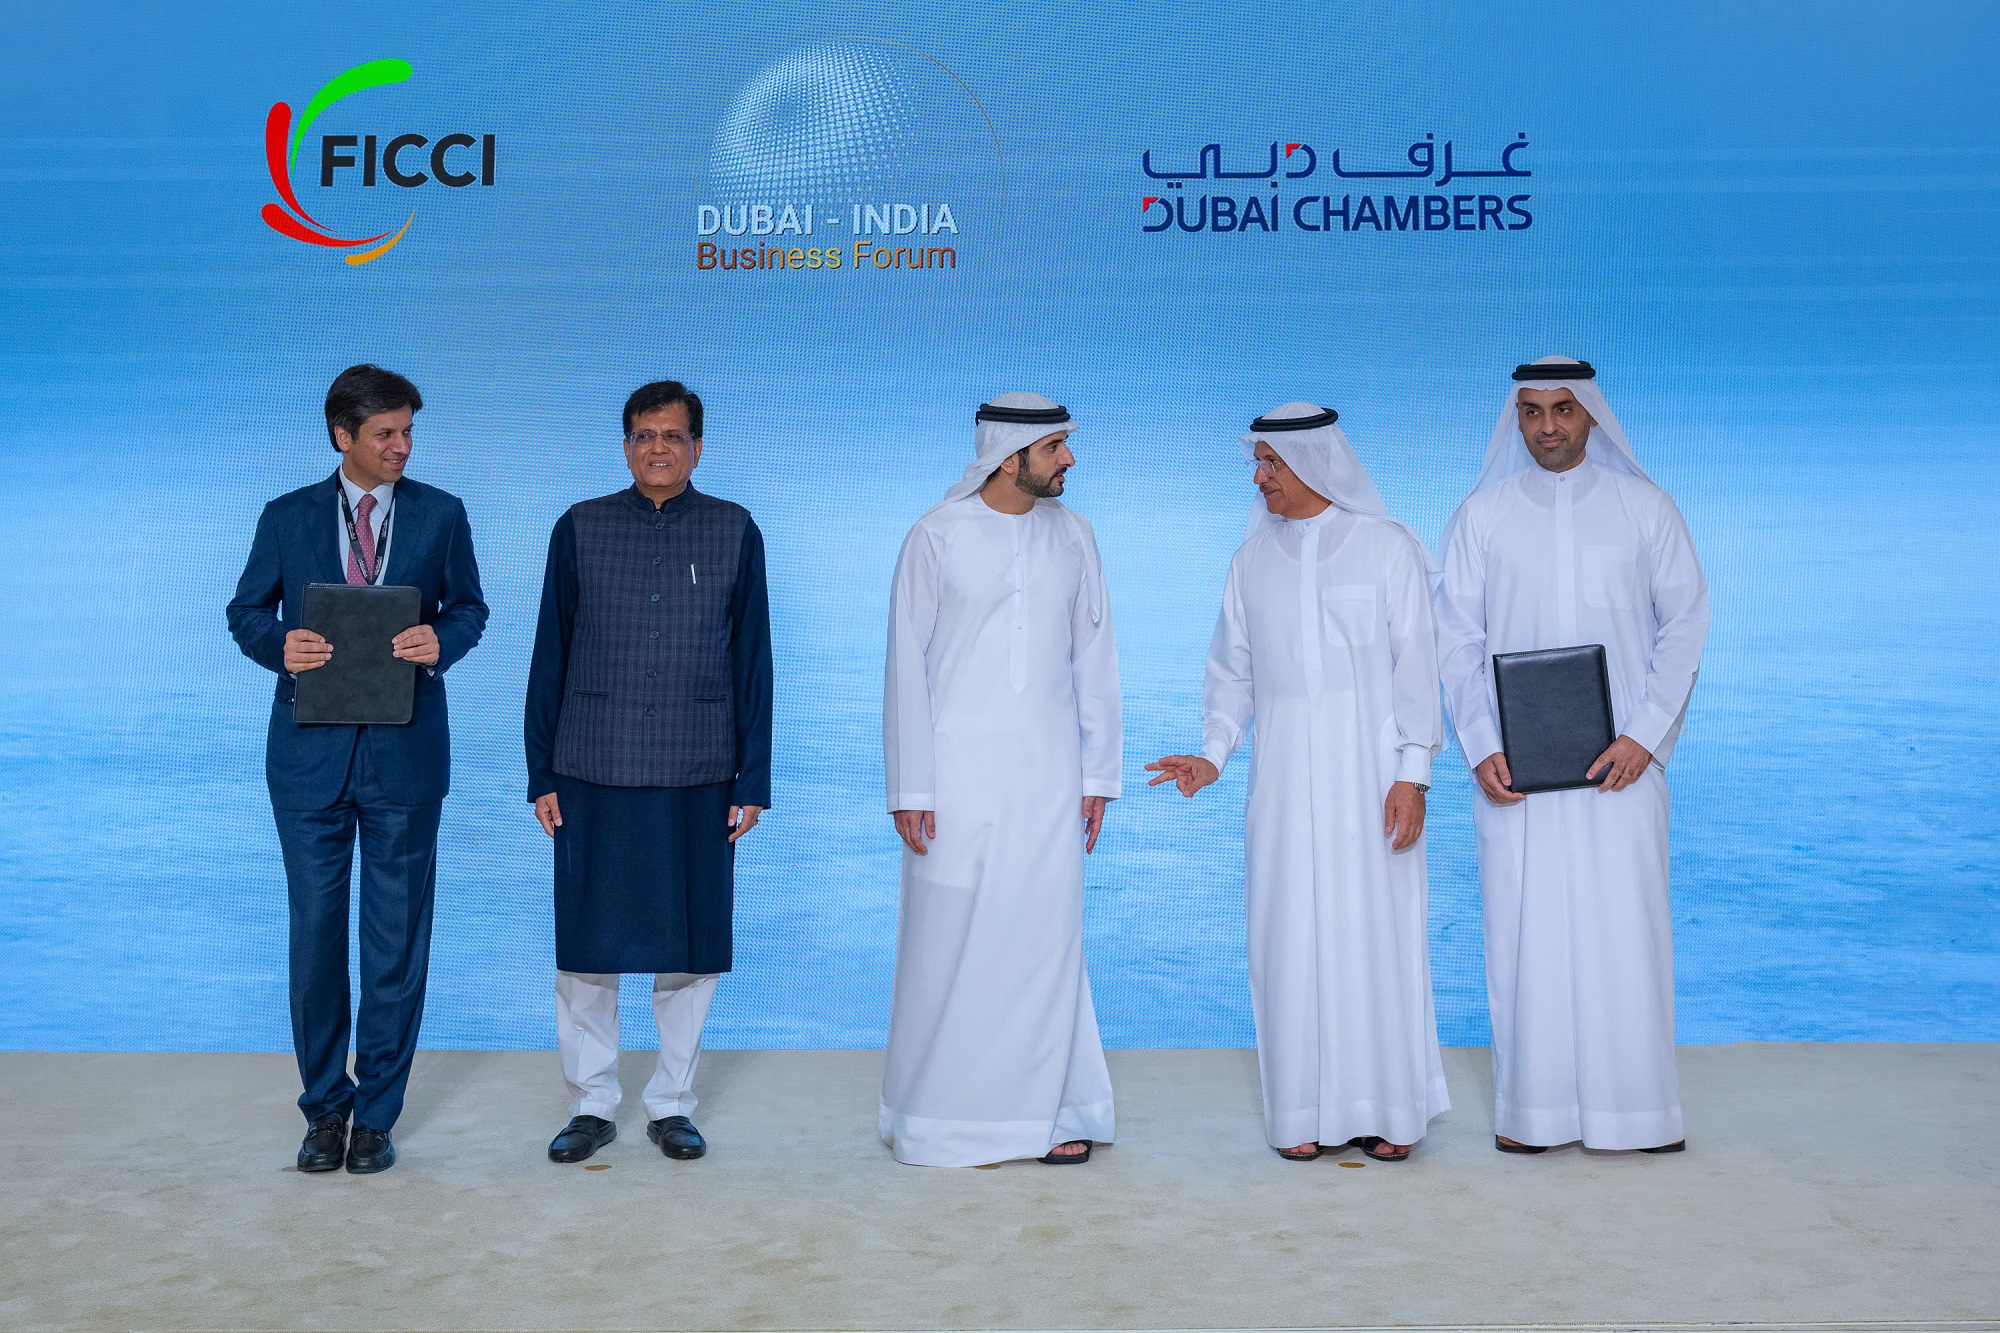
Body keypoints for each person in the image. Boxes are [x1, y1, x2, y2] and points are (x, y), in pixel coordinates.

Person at [1147, 403, 1448, 1162]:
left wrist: (1413, 774)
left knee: (1375, 936)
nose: (1258, 477)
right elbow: (1232, 675)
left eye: (1270, 463)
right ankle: (1302, 1110)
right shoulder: (1251, 562)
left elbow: (1417, 668)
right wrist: (1212, 755)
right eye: (1257, 462)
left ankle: (1387, 1111)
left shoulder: (1386, 548)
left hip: (1372, 780)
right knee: (1286, 939)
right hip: (1281, 785)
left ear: (1314, 462)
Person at [1434, 356, 1709, 1154]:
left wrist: (1645, 734)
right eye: (1532, 411)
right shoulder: (1482, 516)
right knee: (1527, 937)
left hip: (1623, 766)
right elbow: (1456, 640)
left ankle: (1638, 1115)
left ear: (1590, 414)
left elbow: (1685, 624)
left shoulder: (1644, 507)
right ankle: (1535, 1114)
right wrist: (1481, 743)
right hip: (1516, 771)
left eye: (1563, 409)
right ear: (1515, 418)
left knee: (1626, 932)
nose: (1547, 426)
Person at [226, 364, 489, 1174]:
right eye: (386, 433)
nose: (403, 445)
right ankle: (323, 1109)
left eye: (408, 431)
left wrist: (443, 640)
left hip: (406, 756)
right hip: (307, 759)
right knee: (315, 936)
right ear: (343, 436)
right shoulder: (286, 516)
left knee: (395, 943)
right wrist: (280, 644)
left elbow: (470, 607)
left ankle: (375, 1115)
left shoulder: (442, 513)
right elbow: (245, 610)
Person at [525, 379, 772, 1165]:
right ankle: (591, 1101)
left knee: (690, 948)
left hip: (701, 766)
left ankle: (671, 1103)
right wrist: (540, 772)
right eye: (643, 435)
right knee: (586, 948)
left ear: (698, 446)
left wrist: (752, 780)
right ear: (625, 446)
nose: (657, 447)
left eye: (672, 435)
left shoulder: (734, 529)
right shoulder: (580, 526)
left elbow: (754, 663)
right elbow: (549, 653)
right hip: (590, 762)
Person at [880, 392, 1121, 1167]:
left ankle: (1051, 1111)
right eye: (1055, 447)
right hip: (954, 777)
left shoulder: (1076, 535)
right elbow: (905, 664)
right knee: (949, 941)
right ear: (1009, 457)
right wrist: (910, 787)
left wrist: (1098, 772)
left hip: (1048, 776)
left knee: (1044, 937)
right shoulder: (936, 535)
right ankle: (941, 1115)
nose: (1069, 459)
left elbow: (1094, 660)